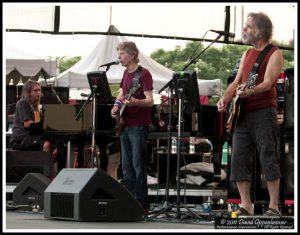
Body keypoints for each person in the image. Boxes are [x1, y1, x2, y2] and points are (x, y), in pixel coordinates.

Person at [217, 12, 283, 216]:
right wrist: (225, 99)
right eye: (245, 26)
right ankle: (246, 205)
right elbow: (236, 82)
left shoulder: (275, 53)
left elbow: (269, 82)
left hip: (264, 112)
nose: (244, 29)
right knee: (237, 158)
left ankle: (273, 206)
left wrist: (250, 91)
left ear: (261, 31)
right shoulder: (246, 54)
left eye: (248, 26)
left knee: (268, 156)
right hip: (241, 114)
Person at [111, 41, 154, 213]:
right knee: (126, 166)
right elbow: (122, 92)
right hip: (125, 123)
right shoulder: (125, 73)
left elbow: (150, 100)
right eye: (119, 53)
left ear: (132, 54)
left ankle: (141, 203)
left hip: (139, 125)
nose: (119, 57)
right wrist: (116, 106)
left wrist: (136, 101)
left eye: (121, 53)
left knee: (138, 165)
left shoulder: (144, 74)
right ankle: (129, 202)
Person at [10, 80, 58, 176]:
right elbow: (28, 124)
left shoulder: (36, 107)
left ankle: (44, 170)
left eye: (39, 90)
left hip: (32, 136)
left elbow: (37, 126)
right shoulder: (23, 103)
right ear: (28, 92)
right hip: (21, 138)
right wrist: (45, 126)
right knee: (46, 145)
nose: (39, 93)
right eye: (35, 90)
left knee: (57, 146)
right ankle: (47, 175)